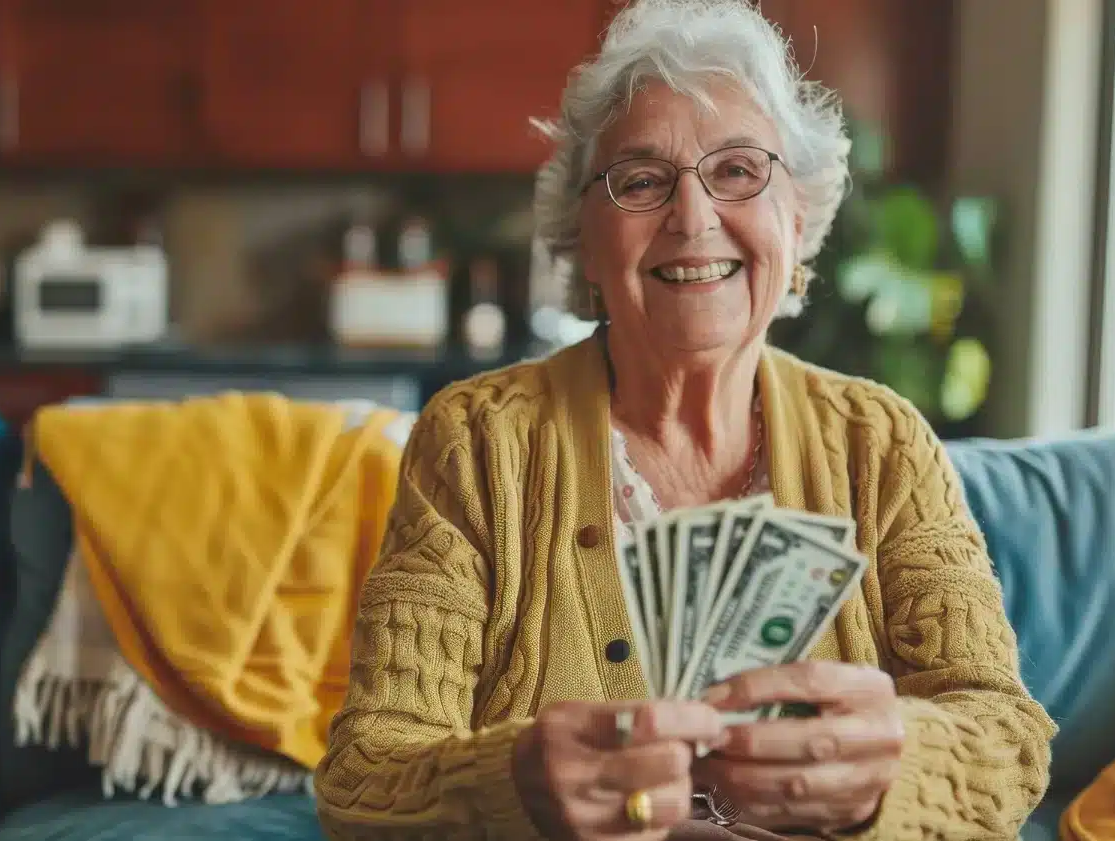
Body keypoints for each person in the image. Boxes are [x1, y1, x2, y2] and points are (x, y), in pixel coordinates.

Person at [314, 0, 1056, 838]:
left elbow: (1008, 738)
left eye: (738, 171)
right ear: (584, 245)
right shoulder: (479, 444)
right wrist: (510, 778)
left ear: (798, 218)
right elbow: (364, 776)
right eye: (640, 180)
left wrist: (896, 764)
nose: (693, 217)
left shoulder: (881, 445)